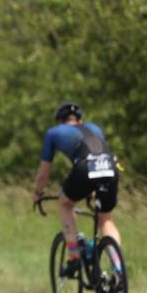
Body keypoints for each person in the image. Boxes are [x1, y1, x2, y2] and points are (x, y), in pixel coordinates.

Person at [32, 102, 122, 278]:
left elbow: (44, 173)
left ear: (60, 121)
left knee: (65, 204)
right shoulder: (94, 127)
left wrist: (37, 193)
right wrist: (93, 190)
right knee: (106, 219)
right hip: (111, 166)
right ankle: (118, 268)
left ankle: (73, 257)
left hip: (84, 168)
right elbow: (98, 156)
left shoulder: (53, 133)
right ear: (80, 119)